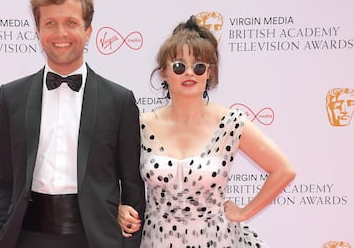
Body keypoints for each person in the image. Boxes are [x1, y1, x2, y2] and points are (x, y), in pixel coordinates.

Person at [0, 0, 145, 248]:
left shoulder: (119, 101)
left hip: (95, 240)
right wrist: (2, 234)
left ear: (88, 30)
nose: (60, 33)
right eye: (50, 23)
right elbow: (3, 182)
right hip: (25, 238)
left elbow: (133, 188)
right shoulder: (10, 97)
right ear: (38, 30)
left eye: (71, 23)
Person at [117, 15, 296, 247]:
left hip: (218, 239)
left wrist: (244, 212)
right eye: (179, 66)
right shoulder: (140, 125)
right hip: (157, 241)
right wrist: (118, 209)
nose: (190, 73)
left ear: (209, 73)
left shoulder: (231, 123)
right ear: (164, 73)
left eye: (199, 66)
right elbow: (105, 178)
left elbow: (283, 170)